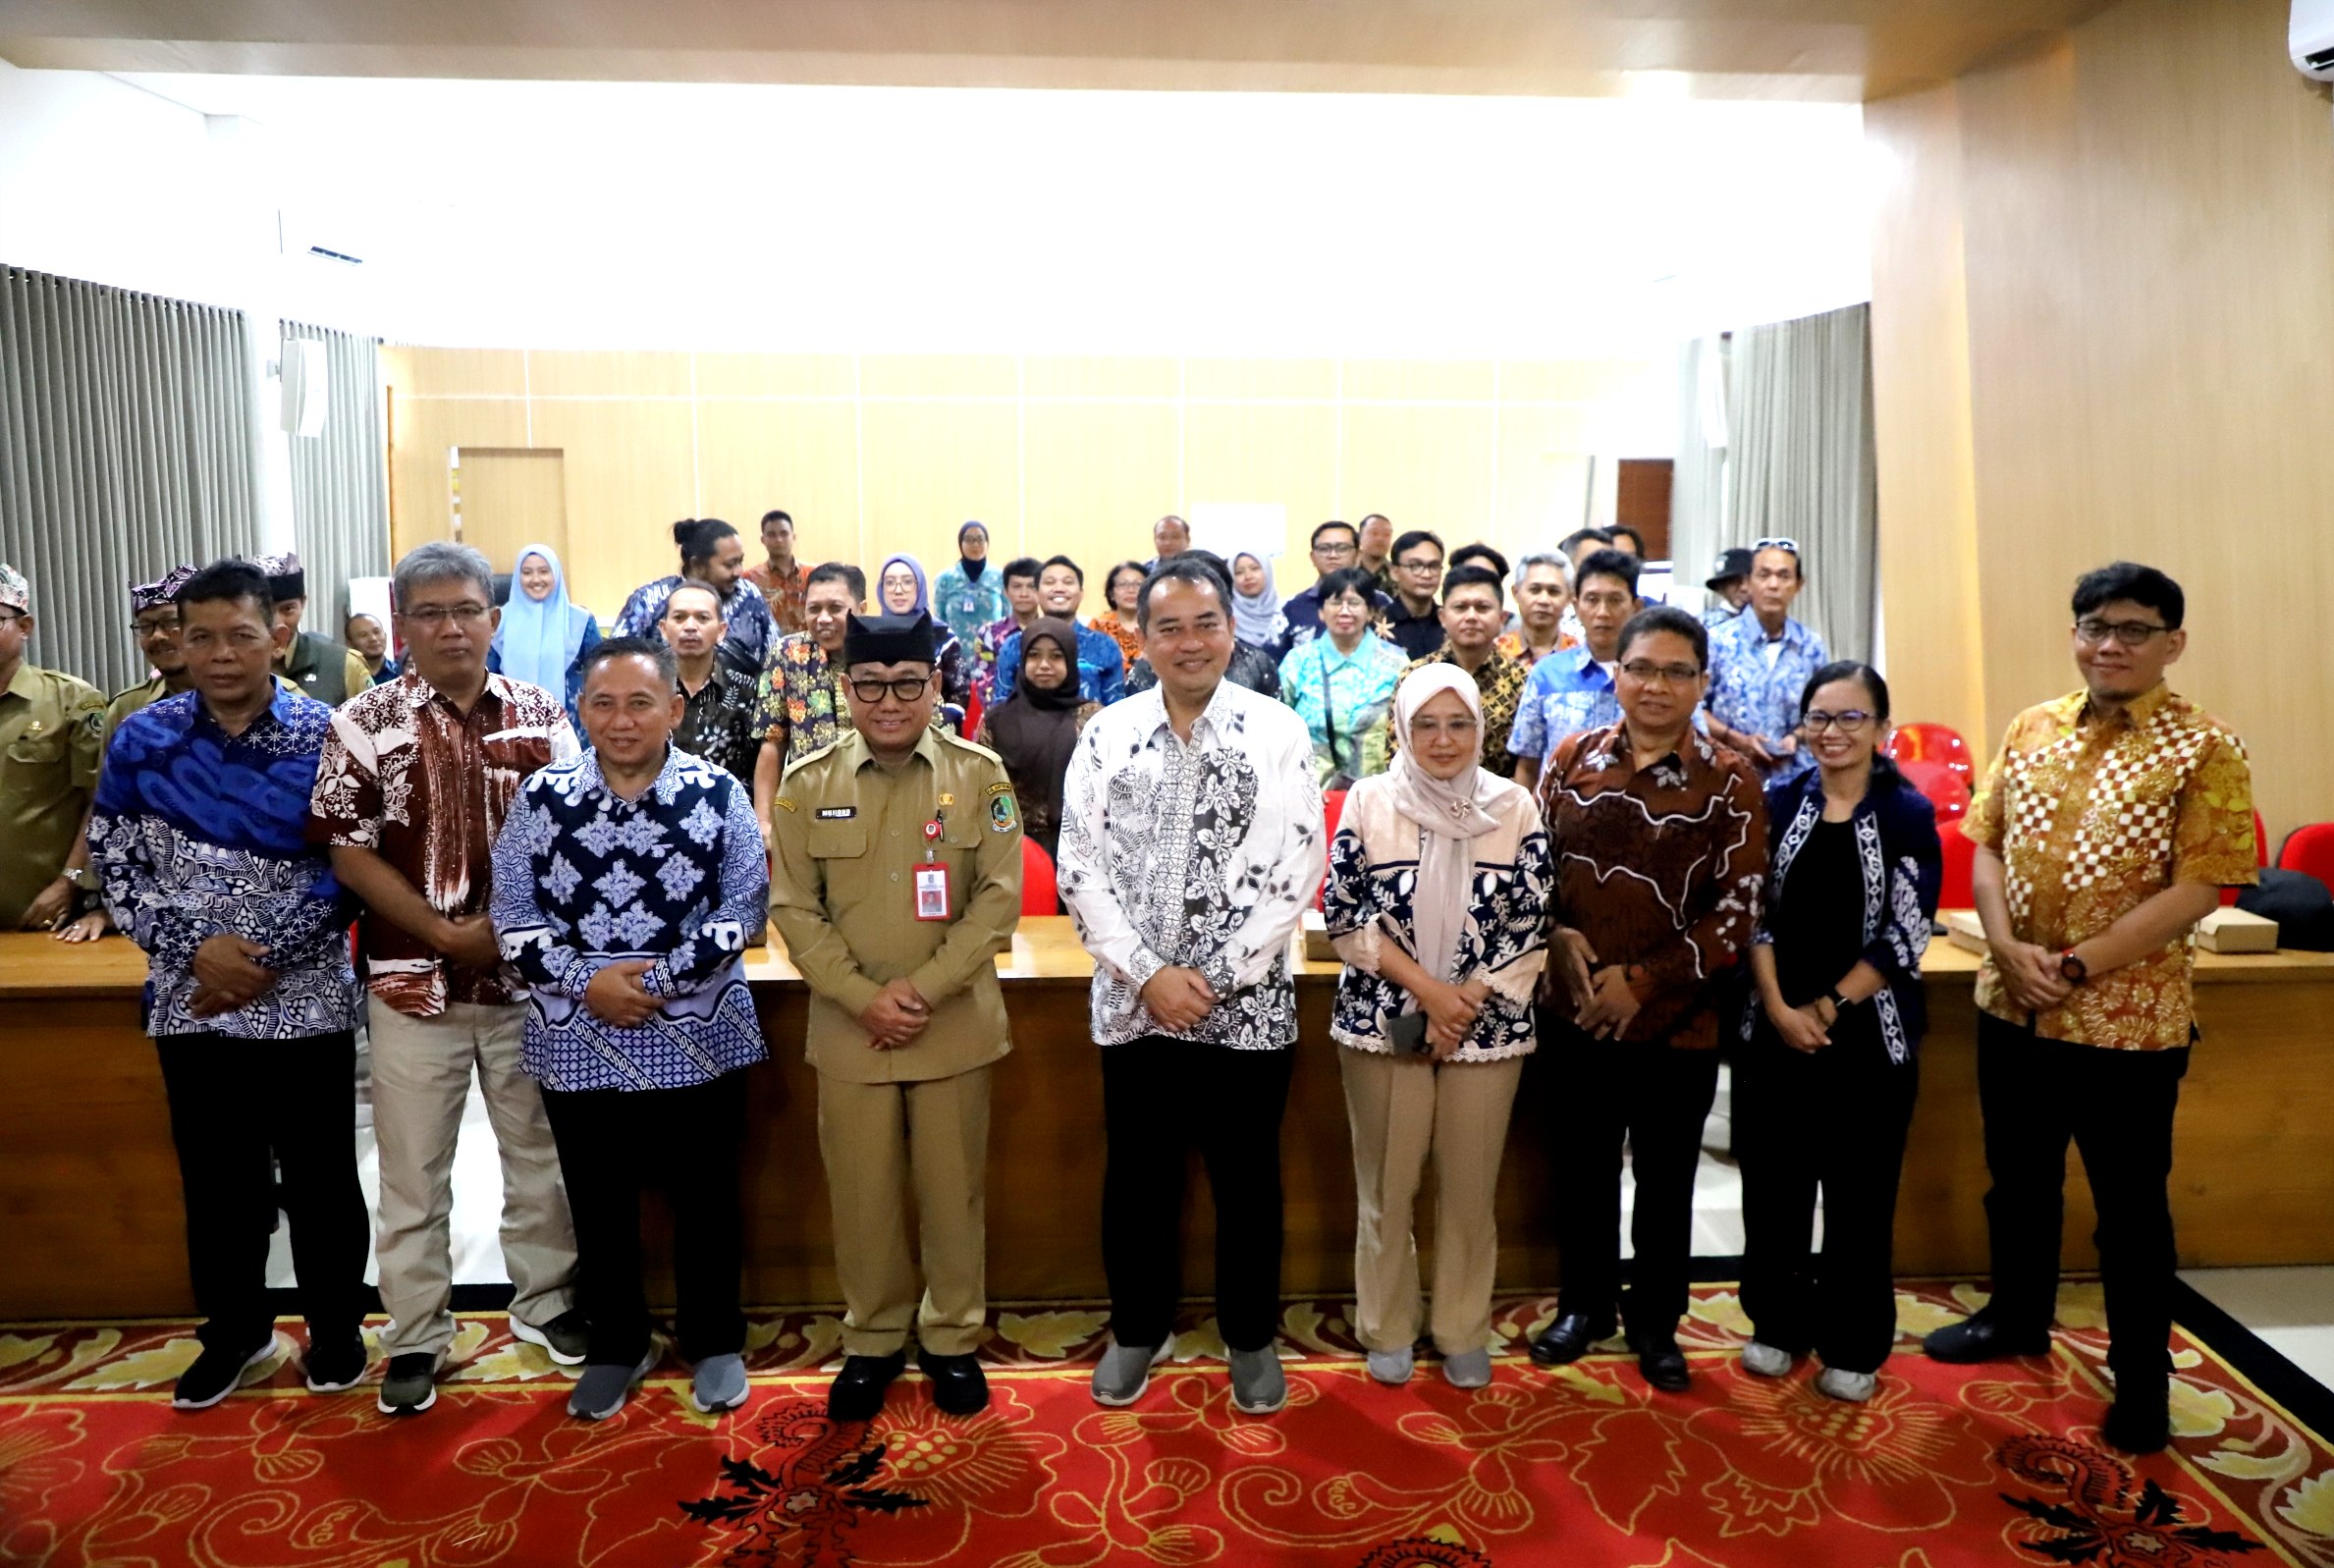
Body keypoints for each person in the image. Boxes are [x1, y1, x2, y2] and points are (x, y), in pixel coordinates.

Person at [1921, 563, 2255, 1456]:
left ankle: (2141, 1379)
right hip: (2013, 1005)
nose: (2108, 642)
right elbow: (1983, 843)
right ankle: (2014, 1318)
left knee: (2129, 1209)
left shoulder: (2203, 746)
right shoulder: (2032, 724)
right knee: (2017, 1182)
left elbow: (2201, 884)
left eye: (2132, 629)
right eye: (2092, 625)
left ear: (2171, 642)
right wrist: (2004, 948)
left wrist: (2072, 965)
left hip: (2126, 1023)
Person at [309, 541, 586, 1417]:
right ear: (404, 624)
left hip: (527, 988)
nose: (451, 626)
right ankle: (420, 1333)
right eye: (428, 612)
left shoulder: (543, 713)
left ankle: (544, 1305)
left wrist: (503, 934)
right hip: (409, 987)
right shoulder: (363, 720)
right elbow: (346, 849)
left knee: (538, 1160)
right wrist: (440, 932)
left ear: (493, 619)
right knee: (411, 1171)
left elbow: (575, 837)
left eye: (466, 609)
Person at [89, 559, 368, 1411]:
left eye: (239, 635)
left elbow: (353, 867)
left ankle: (338, 1330)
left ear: (276, 634)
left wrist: (262, 960)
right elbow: (113, 859)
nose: (218, 654)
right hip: (189, 1000)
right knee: (218, 1182)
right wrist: (195, 953)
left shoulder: (330, 733)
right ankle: (237, 1332)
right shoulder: (143, 737)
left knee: (323, 1177)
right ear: (177, 639)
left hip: (307, 997)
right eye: (198, 636)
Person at [1058, 557, 1325, 1418]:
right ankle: (1138, 1326)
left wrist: (1208, 978)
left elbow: (1298, 867)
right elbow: (1079, 866)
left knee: (1247, 1179)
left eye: (1204, 622)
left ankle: (1250, 1335)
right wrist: (1150, 974)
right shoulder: (1106, 734)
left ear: (1231, 627)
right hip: (1135, 1007)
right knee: (1137, 1177)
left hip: (1245, 1010)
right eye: (1167, 626)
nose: (1188, 641)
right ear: (1142, 636)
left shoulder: (1277, 731)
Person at [490, 636, 769, 1422]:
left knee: (706, 1199)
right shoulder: (542, 799)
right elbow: (511, 915)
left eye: (640, 702)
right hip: (578, 1037)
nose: (621, 720)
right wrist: (590, 983)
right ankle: (618, 1343)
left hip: (696, 1035)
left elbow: (743, 907)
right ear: (581, 710)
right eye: (603, 703)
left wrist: (657, 982)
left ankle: (713, 1339)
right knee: (599, 1202)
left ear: (674, 708)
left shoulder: (717, 793)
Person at [769, 611, 1025, 1422]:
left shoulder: (977, 774)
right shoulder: (807, 783)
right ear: (846, 690)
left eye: (907, 683)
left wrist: (919, 990)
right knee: (864, 1195)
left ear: (935, 687)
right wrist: (860, 996)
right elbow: (792, 907)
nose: (889, 701)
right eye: (871, 685)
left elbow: (997, 899)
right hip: (850, 1030)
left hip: (950, 1026)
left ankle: (951, 1339)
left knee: (954, 1194)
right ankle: (873, 1339)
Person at [1530, 605, 1765, 1394]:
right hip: (1573, 1014)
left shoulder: (1731, 778)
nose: (1655, 684)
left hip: (1678, 1020)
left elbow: (1738, 908)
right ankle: (1582, 1305)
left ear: (1701, 681)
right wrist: (1556, 935)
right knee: (1583, 1172)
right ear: (1616, 672)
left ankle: (1656, 1322)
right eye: (1640, 668)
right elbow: (1532, 865)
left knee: (1666, 1181)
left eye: (1675, 671)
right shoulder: (1571, 758)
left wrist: (1640, 981)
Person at [1324, 665, 1548, 1389]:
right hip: (1383, 1016)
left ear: (1481, 729)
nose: (1442, 739)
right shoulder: (1369, 798)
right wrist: (1428, 992)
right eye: (1425, 723)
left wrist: (1463, 1001)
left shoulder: (1513, 804)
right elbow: (1344, 913)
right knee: (1387, 1188)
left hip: (1487, 1025)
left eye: (1458, 724)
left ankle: (1458, 1325)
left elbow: (1530, 913)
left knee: (1468, 1188)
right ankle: (1386, 1325)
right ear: (1400, 728)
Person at [1736, 661, 1940, 1406]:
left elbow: (1907, 929)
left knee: (1858, 1197)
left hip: (1868, 1038)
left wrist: (1824, 1006)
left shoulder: (1907, 812)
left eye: (1851, 718)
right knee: (1775, 1188)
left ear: (1882, 727)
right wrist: (1780, 1006)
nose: (1832, 732)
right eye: (1818, 718)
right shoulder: (1778, 798)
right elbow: (1751, 911)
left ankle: (1853, 1339)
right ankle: (1776, 1322)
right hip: (1773, 1029)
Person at [0, 563, 105, 933]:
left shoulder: (72, 700)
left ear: (24, 626)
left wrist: (70, 880)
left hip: (43, 912)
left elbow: (100, 802)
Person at [1510, 549, 1665, 792]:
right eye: (1592, 600)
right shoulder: (1547, 674)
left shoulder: (1660, 677)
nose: (1602, 612)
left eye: (1615, 600)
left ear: (1636, 606)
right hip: (1557, 823)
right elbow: (1528, 766)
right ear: (1577, 605)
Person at [1705, 538, 1828, 784]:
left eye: (1784, 576)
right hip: (1728, 777)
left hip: (1795, 779)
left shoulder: (1810, 645)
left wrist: (1797, 736)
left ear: (1798, 585)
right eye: (1764, 575)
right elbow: (1694, 708)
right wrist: (1734, 738)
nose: (1773, 585)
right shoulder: (1717, 640)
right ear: (1748, 583)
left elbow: (1825, 712)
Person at [974, 618, 1100, 861]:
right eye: (1034, 656)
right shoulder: (997, 721)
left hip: (1082, 852)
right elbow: (982, 790)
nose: (1044, 665)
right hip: (1014, 851)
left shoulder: (1093, 719)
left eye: (1055, 656)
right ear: (1022, 661)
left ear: (1071, 661)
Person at [754, 563, 868, 824]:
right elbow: (772, 741)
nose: (823, 619)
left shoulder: (887, 651)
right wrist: (764, 823)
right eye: (814, 609)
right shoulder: (787, 653)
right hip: (807, 807)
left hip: (880, 801)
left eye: (835, 608)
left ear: (862, 609)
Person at [1279, 566, 1407, 786]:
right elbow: (1278, 730)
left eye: (1355, 603)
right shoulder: (1298, 662)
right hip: (1310, 794)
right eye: (1336, 603)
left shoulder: (1396, 663)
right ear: (1321, 611)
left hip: (1379, 793)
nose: (1345, 611)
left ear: (1370, 612)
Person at [1396, 565, 1525, 781]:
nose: (1471, 616)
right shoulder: (1414, 676)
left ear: (1502, 618)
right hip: (1417, 801)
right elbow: (1396, 751)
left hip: (1494, 806)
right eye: (1460, 607)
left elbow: (1525, 765)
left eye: (1482, 607)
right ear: (1442, 616)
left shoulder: (1520, 680)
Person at [613, 518, 775, 668]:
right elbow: (616, 661)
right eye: (729, 565)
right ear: (697, 565)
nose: (739, 572)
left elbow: (776, 654)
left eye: (740, 561)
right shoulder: (648, 601)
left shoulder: (749, 594)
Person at [1125, 552, 1284, 701]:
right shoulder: (1113, 725)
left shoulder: (1256, 665)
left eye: (1206, 625)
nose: (1191, 644)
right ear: (1143, 639)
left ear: (1230, 627)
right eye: (1171, 629)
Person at [662, 579, 766, 784]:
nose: (690, 627)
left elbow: (763, 767)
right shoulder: (645, 690)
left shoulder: (749, 691)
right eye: (680, 617)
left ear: (721, 631)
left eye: (702, 618)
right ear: (664, 629)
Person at [990, 556, 1126, 706]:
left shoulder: (1103, 645)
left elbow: (1116, 709)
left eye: (1068, 582)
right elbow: (1000, 707)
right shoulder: (1014, 645)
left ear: (1081, 593)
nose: (1059, 588)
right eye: (1049, 582)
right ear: (1037, 592)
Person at [488, 543, 601, 724]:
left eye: (543, 571)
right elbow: (487, 678)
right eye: (527, 572)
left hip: (572, 726)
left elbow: (599, 675)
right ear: (518, 576)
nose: (535, 579)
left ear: (556, 574)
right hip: (513, 727)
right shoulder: (499, 621)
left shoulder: (581, 621)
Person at [258, 551, 371, 706]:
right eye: (265, 611)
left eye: (288, 609)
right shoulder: (232, 665)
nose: (278, 622)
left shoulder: (342, 664)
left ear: (303, 602)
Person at [875, 554, 974, 722]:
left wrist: (933, 722)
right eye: (890, 582)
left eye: (907, 582)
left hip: (934, 731)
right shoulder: (870, 636)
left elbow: (960, 693)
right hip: (882, 725)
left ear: (919, 586)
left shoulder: (942, 635)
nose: (898, 590)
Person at [1282, 521, 1390, 649]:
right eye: (1324, 548)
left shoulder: (1381, 602)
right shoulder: (1292, 606)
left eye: (1342, 548)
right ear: (1313, 557)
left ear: (1358, 555)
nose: (1333, 555)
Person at [972, 556, 1046, 699]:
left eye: (1032, 586)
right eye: (1017, 586)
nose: (1024, 594)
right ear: (1006, 591)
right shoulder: (989, 634)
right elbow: (985, 683)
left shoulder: (1053, 632)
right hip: (1002, 715)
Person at [932, 521, 1006, 653]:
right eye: (969, 540)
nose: (975, 544)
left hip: (992, 658)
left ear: (987, 543)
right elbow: (940, 624)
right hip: (954, 658)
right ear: (960, 543)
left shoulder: (1000, 578)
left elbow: (1007, 620)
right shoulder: (945, 579)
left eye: (980, 539)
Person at [1376, 529, 1448, 661]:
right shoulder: (1376, 623)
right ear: (1394, 572)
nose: (1427, 574)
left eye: (1433, 566)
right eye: (1416, 566)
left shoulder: (1450, 623)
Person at [1497, 553, 1576, 673]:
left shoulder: (1580, 656)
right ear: (1516, 593)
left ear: (1569, 597)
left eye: (1553, 592)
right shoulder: (1496, 653)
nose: (1544, 600)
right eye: (1535, 590)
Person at [742, 509, 809, 636]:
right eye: (772, 534)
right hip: (768, 650)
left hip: (809, 647)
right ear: (763, 539)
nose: (778, 540)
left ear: (793, 537)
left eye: (784, 533)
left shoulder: (812, 575)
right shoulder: (748, 579)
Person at [1089, 562, 1149, 670]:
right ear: (1111, 594)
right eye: (1123, 584)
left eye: (1138, 584)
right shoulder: (1098, 626)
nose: (1131, 590)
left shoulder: (1157, 625)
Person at [1229, 551, 1288, 659]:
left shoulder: (1287, 611)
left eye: (1255, 568)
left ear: (1267, 571)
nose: (1248, 576)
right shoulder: (1227, 617)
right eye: (1239, 572)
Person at [1702, 547, 1754, 628]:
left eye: (1749, 580)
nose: (1744, 588)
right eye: (1734, 581)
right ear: (1720, 588)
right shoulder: (1704, 624)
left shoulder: (1771, 622)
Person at [347, 613, 399, 682]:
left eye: (376, 632)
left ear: (385, 635)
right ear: (350, 643)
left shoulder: (402, 672)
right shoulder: (345, 678)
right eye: (363, 635)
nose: (373, 639)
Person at [1357, 513, 1397, 596]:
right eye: (1374, 533)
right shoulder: (1347, 572)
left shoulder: (1398, 575)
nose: (1380, 539)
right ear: (1360, 537)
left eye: (1386, 535)